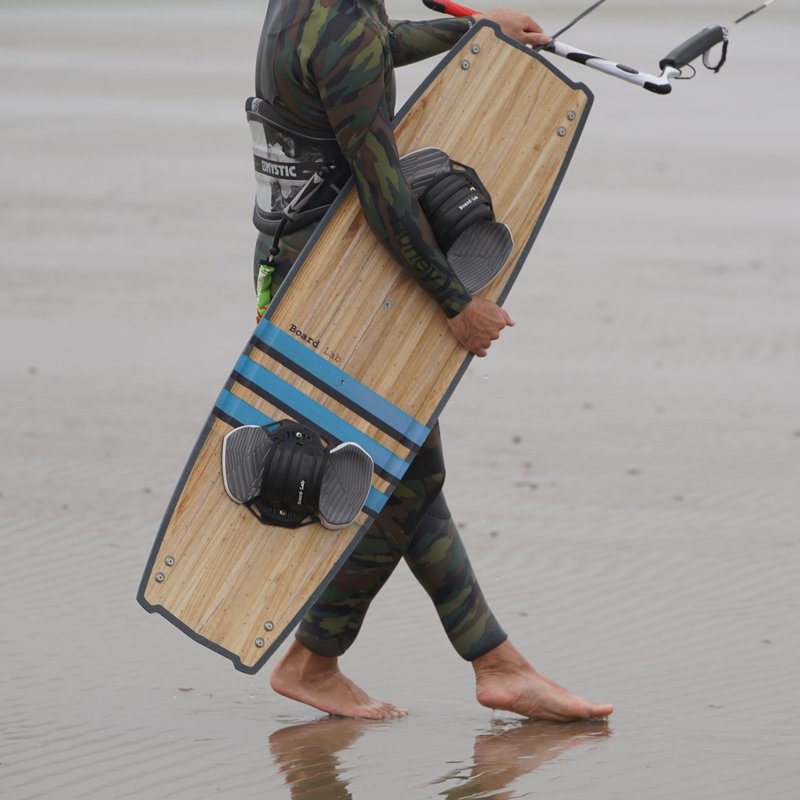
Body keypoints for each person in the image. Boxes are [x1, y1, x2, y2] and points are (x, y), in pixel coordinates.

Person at [249, 0, 613, 722]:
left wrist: (473, 31)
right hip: (337, 283)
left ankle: (489, 665)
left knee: (410, 468)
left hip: (299, 262)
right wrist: (456, 301)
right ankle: (323, 661)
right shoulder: (345, 26)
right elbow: (384, 191)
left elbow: (372, 47)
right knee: (405, 472)